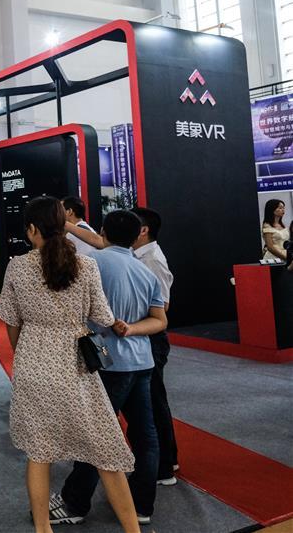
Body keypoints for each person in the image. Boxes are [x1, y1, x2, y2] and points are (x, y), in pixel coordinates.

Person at [0, 197, 141, 533]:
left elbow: (11, 322)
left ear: (32, 229)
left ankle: (42, 529)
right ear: (64, 226)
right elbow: (102, 316)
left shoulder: (17, 267)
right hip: (74, 367)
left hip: (32, 364)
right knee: (106, 450)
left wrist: (23, 354)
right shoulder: (85, 266)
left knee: (39, 452)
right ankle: (133, 530)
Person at [53, 210, 167, 527]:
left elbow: (72, 309)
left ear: (103, 232)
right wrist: (131, 329)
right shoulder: (144, 271)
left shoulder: (91, 263)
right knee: (145, 435)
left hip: (106, 362)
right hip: (142, 362)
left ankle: (74, 503)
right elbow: (160, 320)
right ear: (136, 236)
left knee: (95, 434)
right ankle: (142, 505)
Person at [132, 206, 179, 486]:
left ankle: (164, 466)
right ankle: (166, 459)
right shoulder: (138, 255)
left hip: (152, 338)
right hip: (144, 337)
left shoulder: (152, 259)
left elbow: (163, 306)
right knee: (151, 400)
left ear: (143, 230)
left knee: (153, 401)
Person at [262, 199, 289, 263]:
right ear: (272, 210)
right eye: (280, 208)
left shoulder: (283, 225)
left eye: (283, 208)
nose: (283, 210)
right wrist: (285, 257)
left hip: (285, 255)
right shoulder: (267, 226)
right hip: (274, 259)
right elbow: (270, 247)